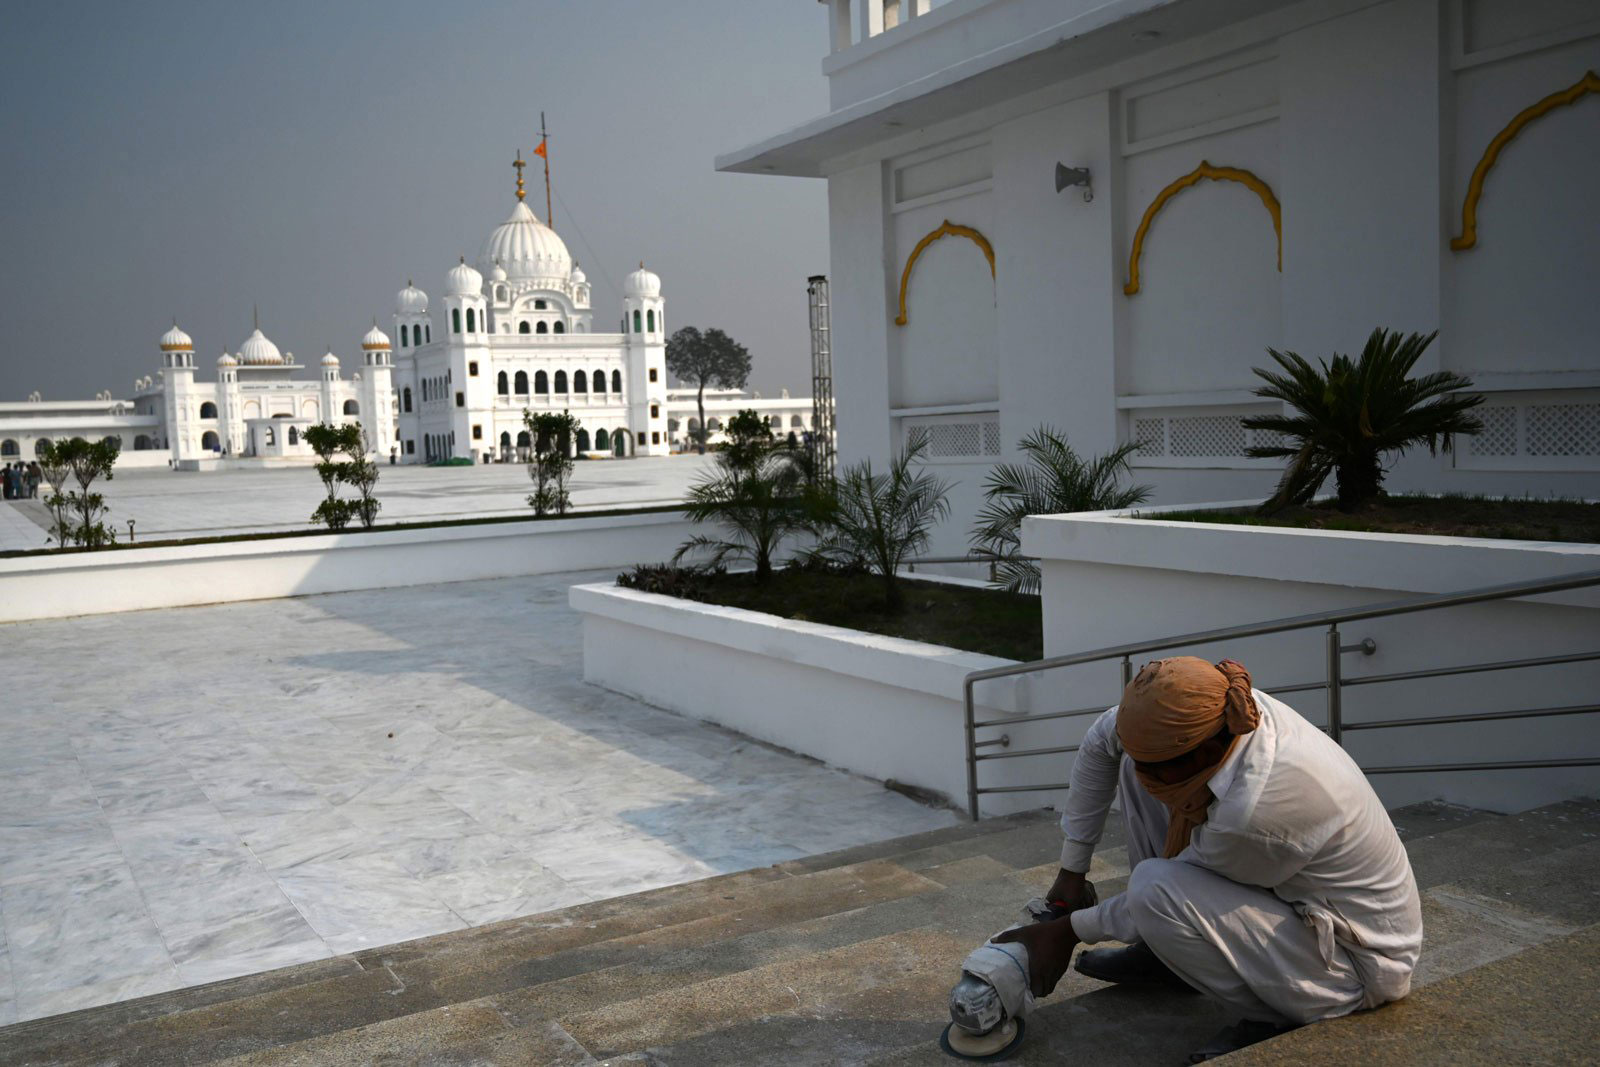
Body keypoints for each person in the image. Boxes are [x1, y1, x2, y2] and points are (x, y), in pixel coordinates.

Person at [996, 656, 1421, 1063]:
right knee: (1134, 770)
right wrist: (1072, 871)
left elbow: (1167, 891)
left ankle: (1277, 1015)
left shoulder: (1254, 810)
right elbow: (1100, 743)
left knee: (1151, 888)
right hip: (1297, 902)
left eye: (1157, 767)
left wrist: (1066, 931)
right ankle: (1166, 959)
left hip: (1356, 965)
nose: (1148, 777)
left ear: (1201, 756)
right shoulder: (1217, 710)